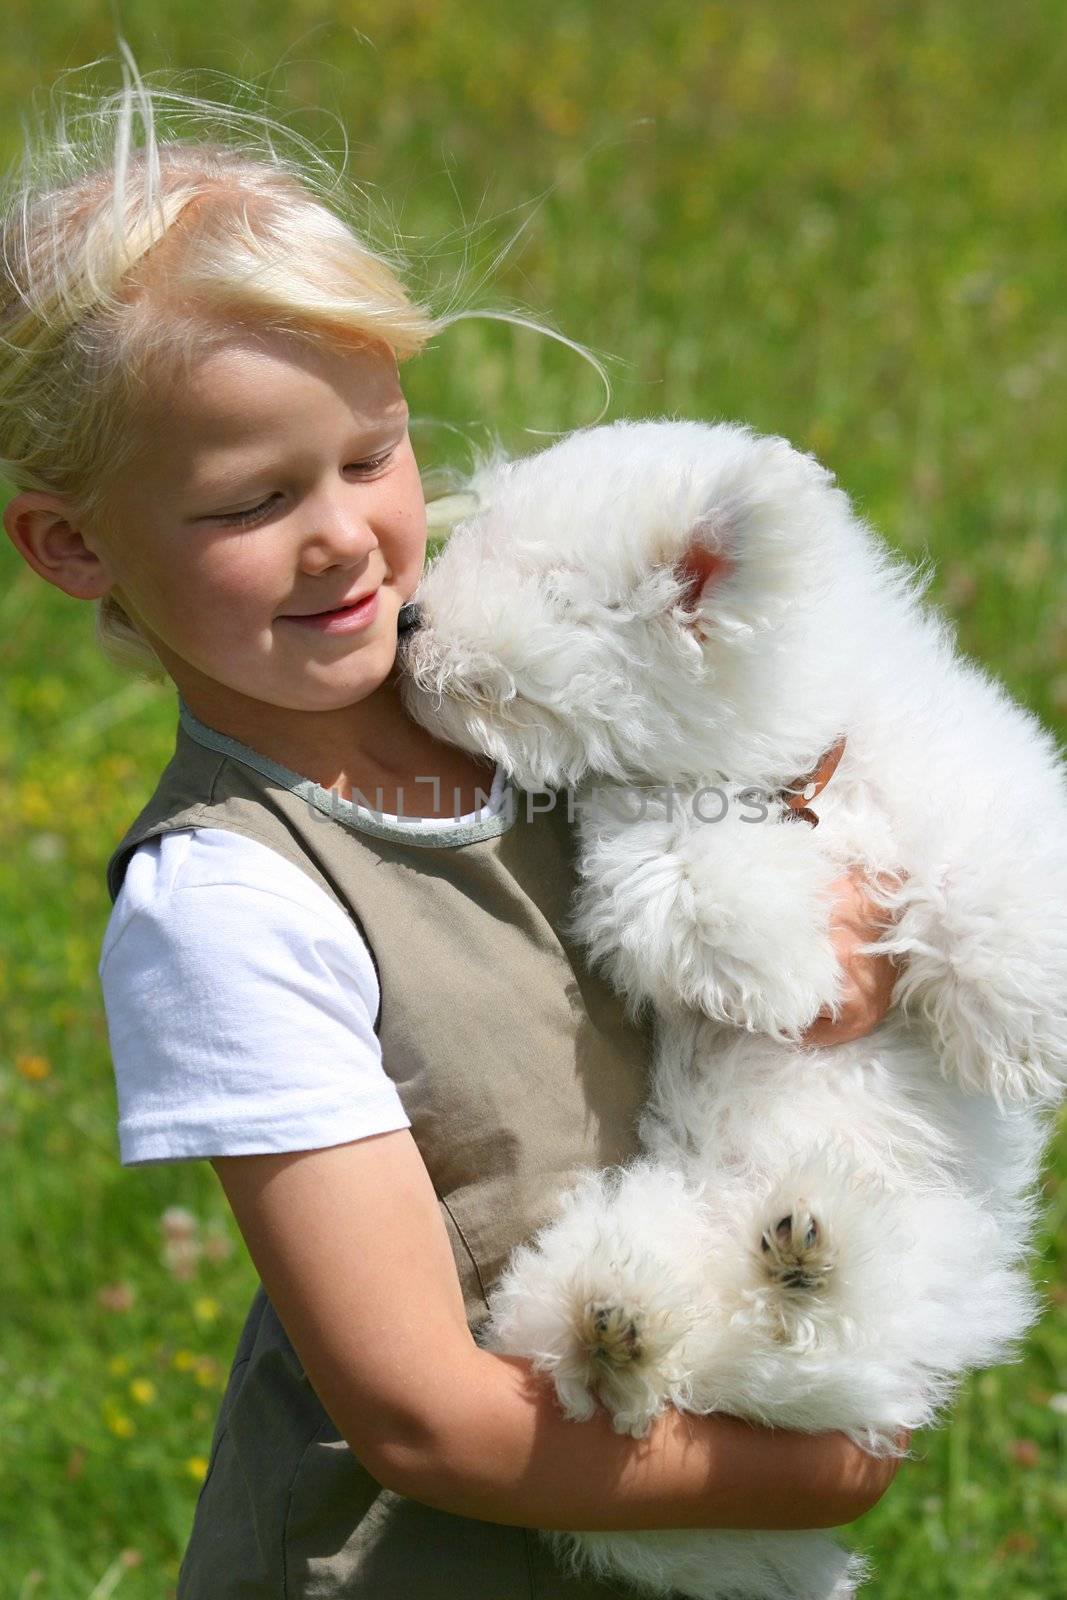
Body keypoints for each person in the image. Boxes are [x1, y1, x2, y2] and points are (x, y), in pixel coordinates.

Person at [1, 69, 905, 1599]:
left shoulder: (523, 683)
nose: (345, 535)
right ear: (75, 544)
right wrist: (817, 1469)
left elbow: (820, 790)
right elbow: (419, 1414)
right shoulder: (224, 901)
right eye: (249, 502)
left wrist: (840, 948)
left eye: (370, 455)